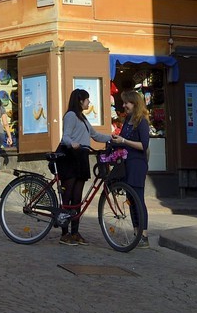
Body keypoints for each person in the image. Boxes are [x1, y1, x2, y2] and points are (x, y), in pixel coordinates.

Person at [57, 87, 111, 245]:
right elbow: (65, 137)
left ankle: (75, 232)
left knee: (77, 197)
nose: (89, 102)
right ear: (80, 101)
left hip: (81, 157)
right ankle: (64, 232)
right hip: (70, 156)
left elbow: (95, 135)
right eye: (87, 99)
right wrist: (72, 143)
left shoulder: (83, 118)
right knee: (68, 196)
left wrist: (111, 138)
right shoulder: (71, 116)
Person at [111, 88, 151, 243]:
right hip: (127, 163)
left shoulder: (142, 121)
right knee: (131, 199)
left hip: (137, 164)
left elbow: (143, 145)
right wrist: (116, 140)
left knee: (138, 199)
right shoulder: (128, 120)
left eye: (126, 102)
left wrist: (124, 141)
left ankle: (144, 235)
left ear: (134, 103)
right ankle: (136, 234)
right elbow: (123, 138)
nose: (124, 105)